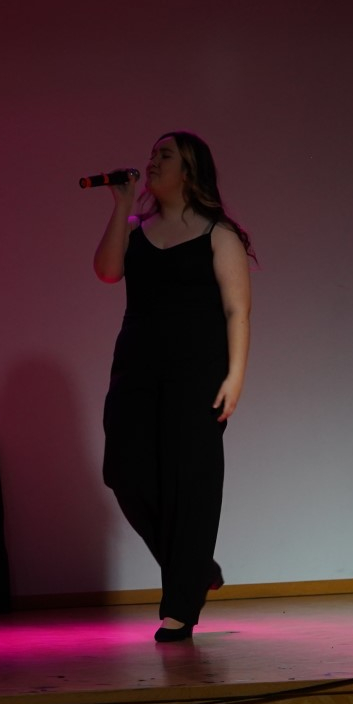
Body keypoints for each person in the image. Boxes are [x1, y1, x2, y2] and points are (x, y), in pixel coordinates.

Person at [92, 131, 253, 642]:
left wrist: (235, 376)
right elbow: (107, 271)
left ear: (188, 171)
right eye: (152, 154)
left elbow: (237, 310)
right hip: (136, 370)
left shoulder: (217, 234)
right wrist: (121, 205)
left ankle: (180, 606)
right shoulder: (136, 230)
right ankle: (196, 567)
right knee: (125, 472)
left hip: (197, 373)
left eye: (165, 155)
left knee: (190, 484)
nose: (152, 162)